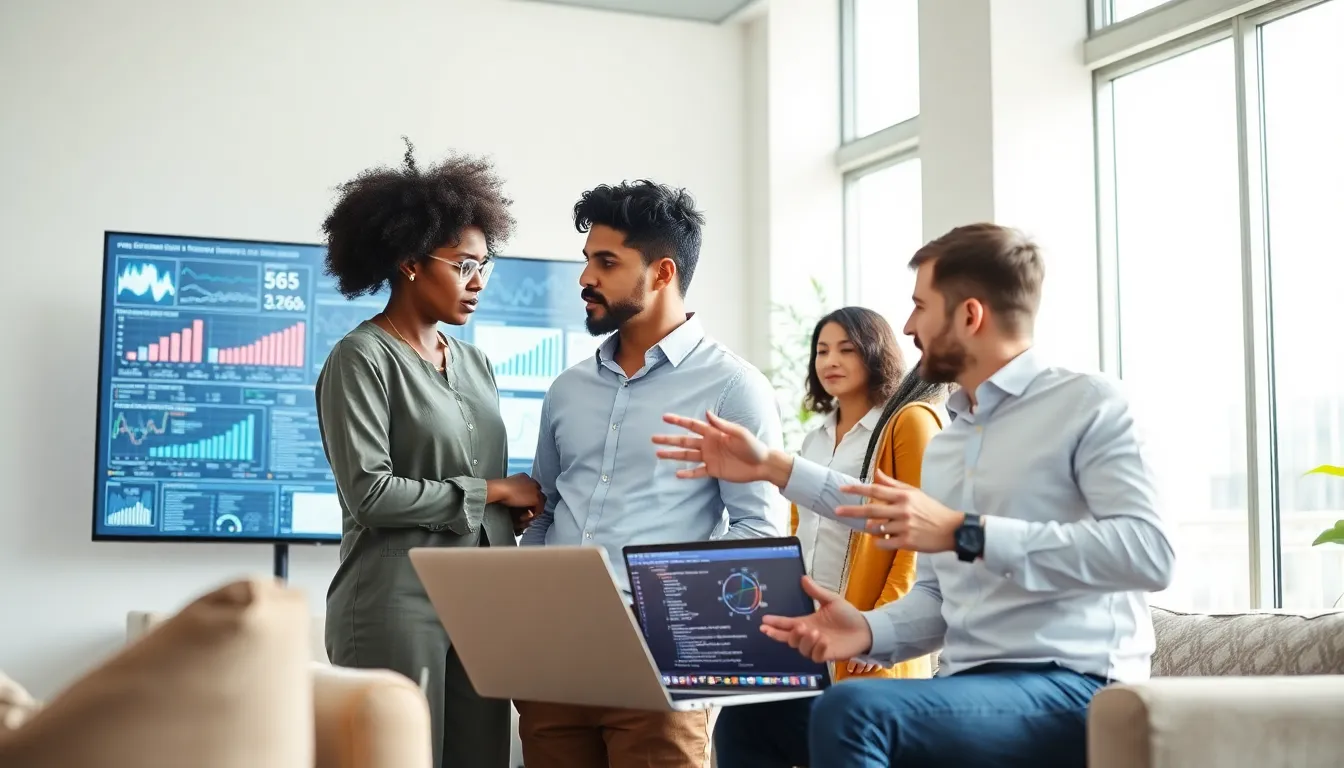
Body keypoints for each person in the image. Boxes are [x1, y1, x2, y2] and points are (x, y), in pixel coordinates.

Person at [653, 223, 1176, 767]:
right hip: (965, 689)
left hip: (1077, 685)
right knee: (755, 716)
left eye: (920, 307)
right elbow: (934, 598)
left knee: (854, 710)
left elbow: (1148, 553)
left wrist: (962, 531)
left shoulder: (1088, 403)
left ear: (969, 316)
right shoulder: (951, 443)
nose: (906, 327)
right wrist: (865, 628)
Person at [516, 179, 785, 768]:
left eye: (606, 262)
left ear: (663, 272)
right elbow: (548, 509)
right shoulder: (567, 389)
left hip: (660, 666)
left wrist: (670, 624)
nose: (585, 278)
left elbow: (757, 533)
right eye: (587, 260)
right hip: (554, 660)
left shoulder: (734, 388)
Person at [315, 140, 545, 768]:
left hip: (482, 600)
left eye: (486, 265)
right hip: (394, 601)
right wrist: (493, 493)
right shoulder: (360, 359)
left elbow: (475, 478)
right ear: (412, 262)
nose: (479, 282)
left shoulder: (475, 363)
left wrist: (508, 513)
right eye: (463, 265)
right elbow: (369, 493)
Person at [790, 307, 945, 683]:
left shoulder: (902, 426)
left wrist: (880, 627)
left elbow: (915, 540)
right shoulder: (813, 440)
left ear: (875, 352)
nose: (831, 361)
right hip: (810, 628)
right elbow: (796, 530)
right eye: (822, 350)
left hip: (867, 628)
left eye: (847, 349)